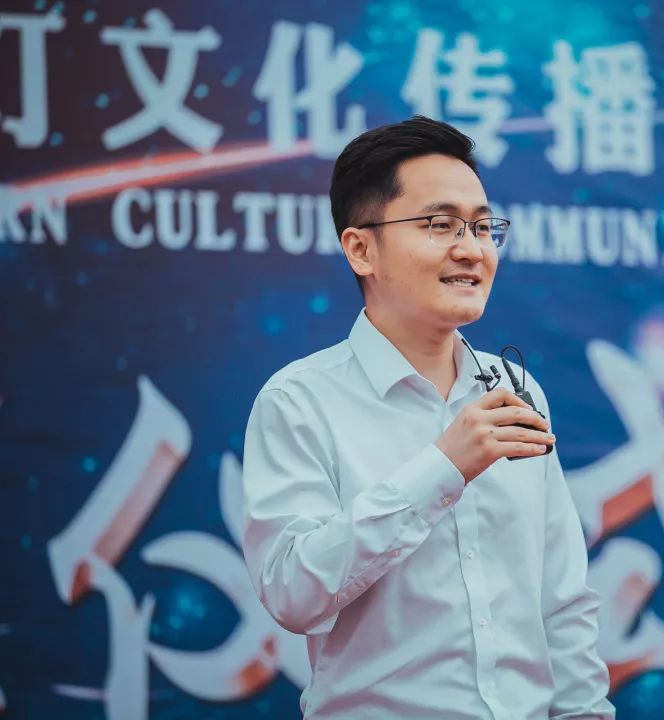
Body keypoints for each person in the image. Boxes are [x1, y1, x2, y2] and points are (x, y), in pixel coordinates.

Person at [241, 116, 614, 719]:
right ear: (361, 249)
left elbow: (562, 598)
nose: (471, 249)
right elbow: (293, 593)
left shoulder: (516, 390)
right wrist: (442, 468)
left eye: (483, 227)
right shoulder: (300, 400)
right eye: (440, 225)